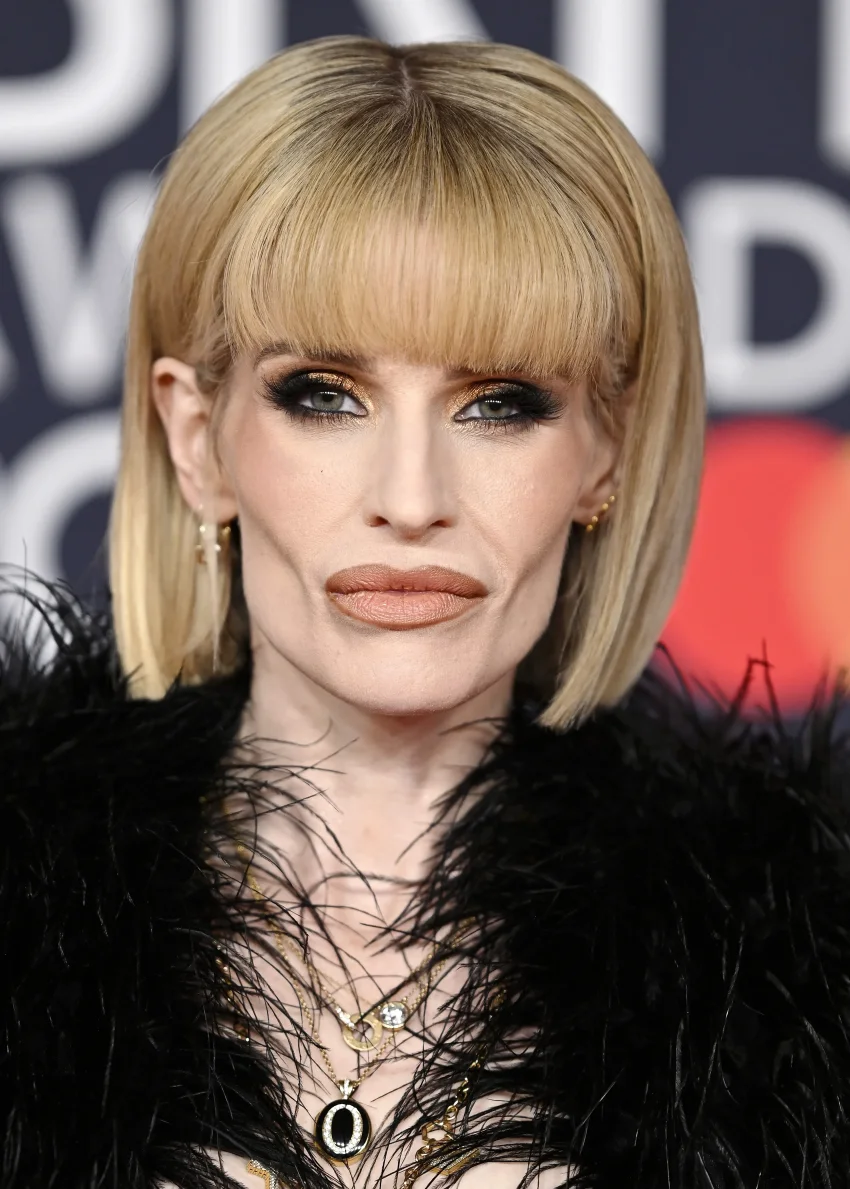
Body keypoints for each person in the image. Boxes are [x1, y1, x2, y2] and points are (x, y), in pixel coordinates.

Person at [2, 34, 849, 1189]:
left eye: (499, 403)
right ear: (197, 442)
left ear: (604, 453)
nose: (410, 500)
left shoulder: (791, 970)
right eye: (323, 395)